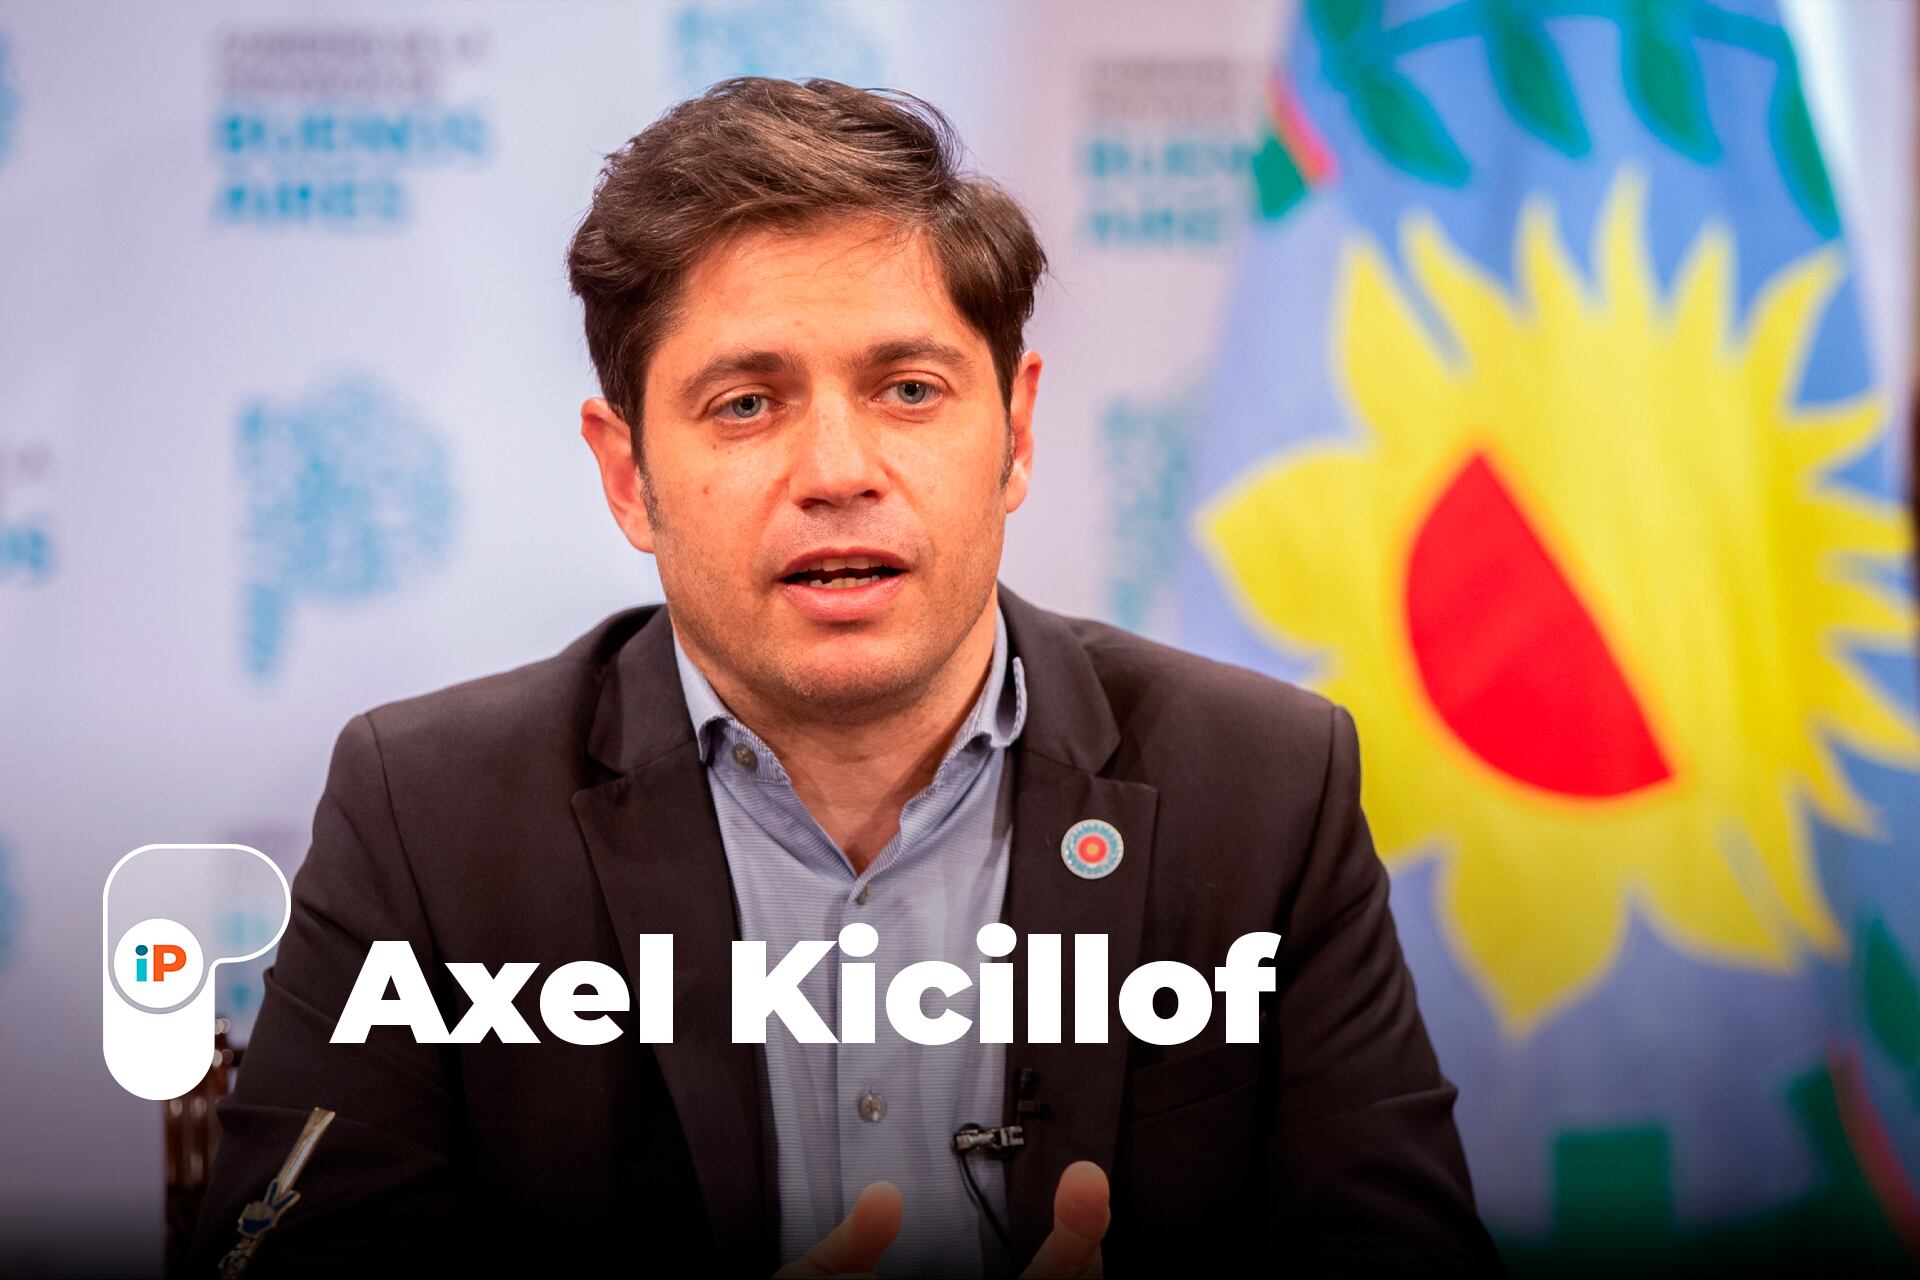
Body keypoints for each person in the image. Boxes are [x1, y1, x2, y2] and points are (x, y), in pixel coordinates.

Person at [188, 76, 1499, 1277]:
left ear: (1016, 432)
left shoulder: (1262, 789)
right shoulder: (431, 819)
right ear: (628, 473)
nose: (837, 472)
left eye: (909, 391)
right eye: (746, 403)